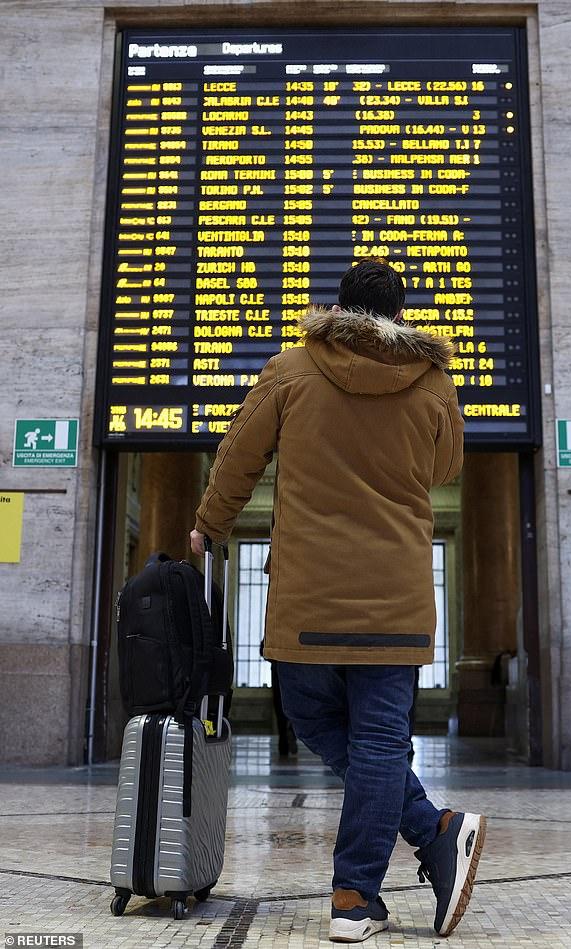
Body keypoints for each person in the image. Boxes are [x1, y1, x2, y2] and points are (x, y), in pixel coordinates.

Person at [191, 260, 486, 942]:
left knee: (311, 715)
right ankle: (386, 870)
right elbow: (445, 467)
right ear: (400, 316)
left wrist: (210, 523)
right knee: (379, 739)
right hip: (398, 599)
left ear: (337, 308)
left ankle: (407, 854)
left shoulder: (292, 368)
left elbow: (239, 455)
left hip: (308, 596)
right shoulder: (434, 382)